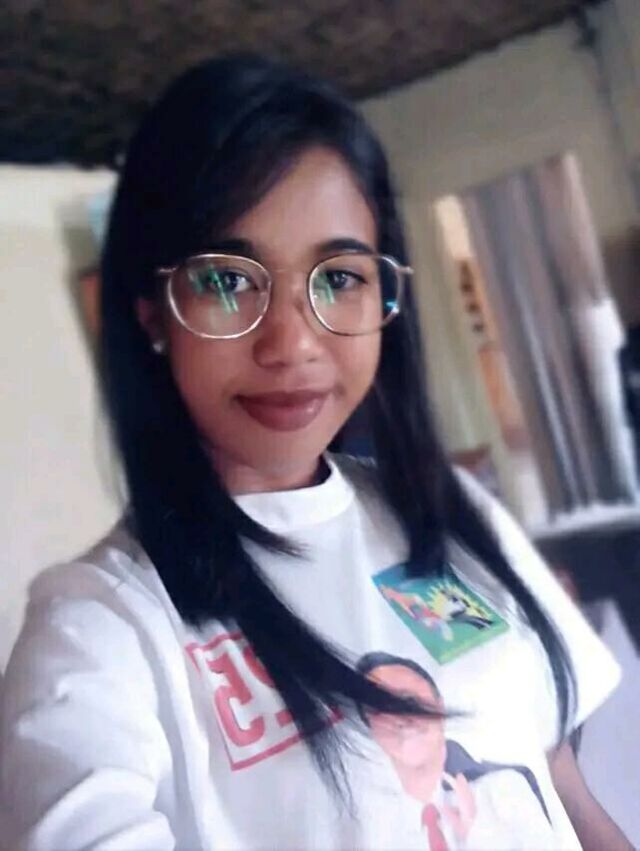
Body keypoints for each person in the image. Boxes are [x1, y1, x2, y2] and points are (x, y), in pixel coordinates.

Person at [0, 55, 632, 851]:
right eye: (227, 281)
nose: (293, 343)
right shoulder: (101, 629)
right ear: (151, 313)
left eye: (338, 278)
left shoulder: (448, 509)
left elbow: (562, 784)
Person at [357, 652, 555, 849]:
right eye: (380, 709)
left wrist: (479, 835)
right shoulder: (375, 827)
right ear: (370, 728)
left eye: (410, 701)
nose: (401, 719)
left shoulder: (502, 786)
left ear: (440, 707)